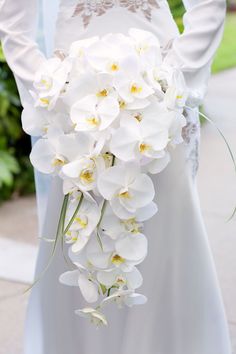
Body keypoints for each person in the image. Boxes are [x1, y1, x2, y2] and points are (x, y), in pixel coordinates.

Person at [0, 0, 232, 353]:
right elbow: (13, 23)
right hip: (73, 103)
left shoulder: (162, 88)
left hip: (157, 92)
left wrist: (168, 82)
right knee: (81, 237)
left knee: (164, 230)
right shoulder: (65, 100)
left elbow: (210, 5)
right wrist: (53, 92)